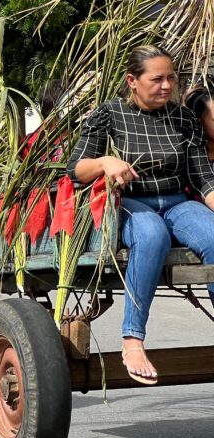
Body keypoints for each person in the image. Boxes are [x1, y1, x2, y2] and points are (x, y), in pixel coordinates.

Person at [66, 45, 214, 386]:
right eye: (157, 79)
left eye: (171, 78)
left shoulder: (183, 118)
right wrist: (106, 162)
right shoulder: (109, 114)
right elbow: (76, 169)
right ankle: (133, 340)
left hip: (177, 202)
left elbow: (202, 177)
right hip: (132, 203)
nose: (167, 86)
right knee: (151, 234)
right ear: (132, 81)